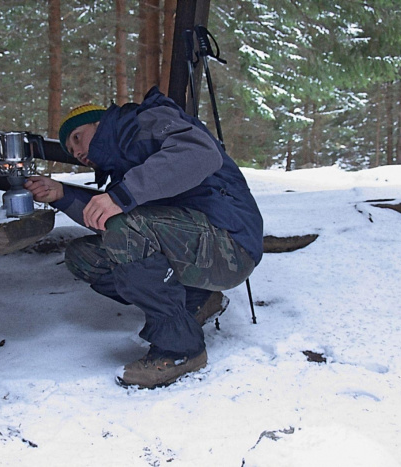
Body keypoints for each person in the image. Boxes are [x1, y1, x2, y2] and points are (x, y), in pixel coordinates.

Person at [25, 86, 263, 389]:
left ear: (100, 123)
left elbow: (200, 153)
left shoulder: (145, 121)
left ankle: (180, 349)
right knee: (84, 257)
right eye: (71, 152)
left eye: (77, 137)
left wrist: (121, 197)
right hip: (197, 245)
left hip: (230, 243)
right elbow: (119, 222)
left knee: (127, 228)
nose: (78, 152)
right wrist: (61, 194)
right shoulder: (124, 163)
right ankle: (197, 298)